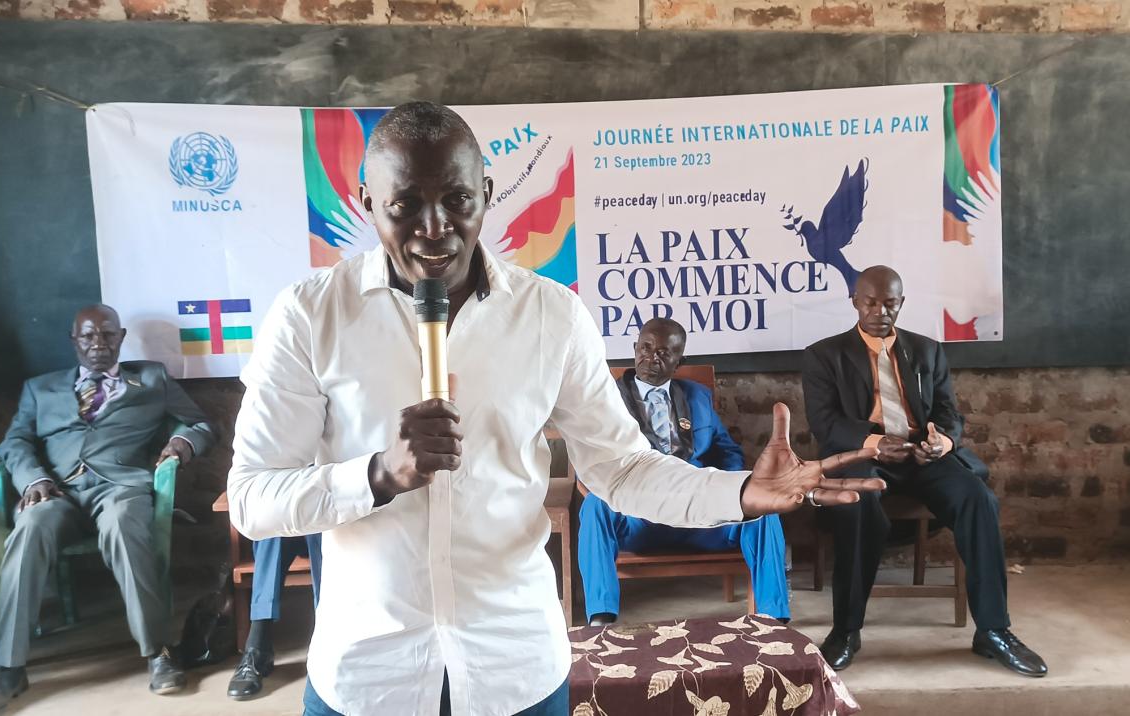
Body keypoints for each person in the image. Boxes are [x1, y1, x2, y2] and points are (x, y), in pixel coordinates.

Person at [226, 101, 883, 716]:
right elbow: (254, 499)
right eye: (405, 206)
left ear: (487, 192)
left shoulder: (550, 314)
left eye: (456, 200)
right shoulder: (309, 315)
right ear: (367, 202)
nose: (434, 228)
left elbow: (621, 469)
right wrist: (378, 475)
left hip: (515, 668)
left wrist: (739, 492)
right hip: (367, 676)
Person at [800, 265, 1047, 677]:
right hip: (864, 455)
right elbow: (826, 424)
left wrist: (942, 442)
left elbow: (949, 412)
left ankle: (993, 631)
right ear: (855, 301)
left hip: (921, 455)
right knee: (857, 505)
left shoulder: (927, 350)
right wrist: (876, 443)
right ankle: (846, 630)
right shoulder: (824, 355)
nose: (880, 311)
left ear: (901, 303)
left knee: (978, 500)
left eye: (890, 303)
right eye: (871, 302)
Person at [0, 304, 217, 712]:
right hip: (56, 491)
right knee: (29, 529)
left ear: (121, 338)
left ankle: (158, 652)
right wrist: (34, 479)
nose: (98, 343)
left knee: (124, 524)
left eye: (107, 334)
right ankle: (8, 668)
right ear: (74, 341)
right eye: (88, 335)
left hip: (119, 488)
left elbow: (202, 424)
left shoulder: (151, 378)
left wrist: (181, 444)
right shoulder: (40, 388)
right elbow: (14, 442)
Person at [579, 318, 790, 625]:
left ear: (679, 361)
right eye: (646, 347)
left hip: (699, 513)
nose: (652, 357)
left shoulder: (696, 396)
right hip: (640, 514)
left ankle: (773, 620)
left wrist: (730, 488)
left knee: (762, 508)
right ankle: (601, 620)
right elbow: (589, 458)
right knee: (594, 505)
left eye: (664, 352)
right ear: (635, 348)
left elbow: (727, 451)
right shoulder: (606, 399)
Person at [226, 534, 323, 700]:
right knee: (271, 530)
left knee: (324, 531)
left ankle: (328, 642)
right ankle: (258, 648)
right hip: (287, 529)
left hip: (325, 529)